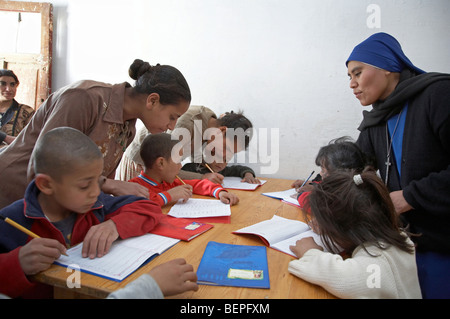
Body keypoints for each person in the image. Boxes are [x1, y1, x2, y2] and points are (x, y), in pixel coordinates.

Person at [0, 59, 191, 209]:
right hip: (14, 195)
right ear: (153, 100)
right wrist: (111, 185)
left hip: (58, 207)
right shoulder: (84, 98)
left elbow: (101, 177)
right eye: (172, 117)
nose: (172, 126)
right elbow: (45, 165)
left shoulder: (128, 126)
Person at [0, 127, 164, 299]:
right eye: (85, 186)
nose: (95, 191)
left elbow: (148, 207)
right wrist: (17, 263)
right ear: (46, 185)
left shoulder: (95, 206)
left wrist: (114, 225)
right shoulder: (12, 220)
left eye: (98, 181)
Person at [346, 32, 450, 298]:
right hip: (406, 241)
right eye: (349, 77)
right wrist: (320, 182)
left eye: (358, 73)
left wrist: (408, 197)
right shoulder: (377, 118)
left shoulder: (439, 95)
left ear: (388, 67)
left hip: (443, 243)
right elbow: (354, 167)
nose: (352, 84)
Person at [288, 168, 422, 299]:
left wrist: (310, 252)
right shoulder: (396, 236)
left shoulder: (377, 266)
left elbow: (344, 279)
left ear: (345, 229)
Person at [117, 105, 257, 185]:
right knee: (135, 208)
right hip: (140, 164)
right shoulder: (186, 126)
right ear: (222, 130)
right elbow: (166, 167)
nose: (224, 156)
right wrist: (202, 177)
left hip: (162, 167)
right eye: (227, 149)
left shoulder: (210, 123)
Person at [128, 133, 239, 206]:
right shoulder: (132, 187)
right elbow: (144, 205)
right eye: (178, 160)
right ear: (161, 163)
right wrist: (169, 195)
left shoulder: (169, 183)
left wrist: (219, 192)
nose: (181, 166)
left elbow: (197, 185)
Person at [291, 136, 371, 208]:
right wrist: (314, 185)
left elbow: (313, 204)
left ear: (337, 173)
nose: (320, 174)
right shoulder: (355, 185)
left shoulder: (344, 198)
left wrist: (300, 196)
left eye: (323, 170)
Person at [0, 69, 35, 149]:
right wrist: (5, 137)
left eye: (12, 84)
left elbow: (32, 140)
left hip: (14, 158)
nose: (8, 89)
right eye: (3, 84)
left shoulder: (26, 111)